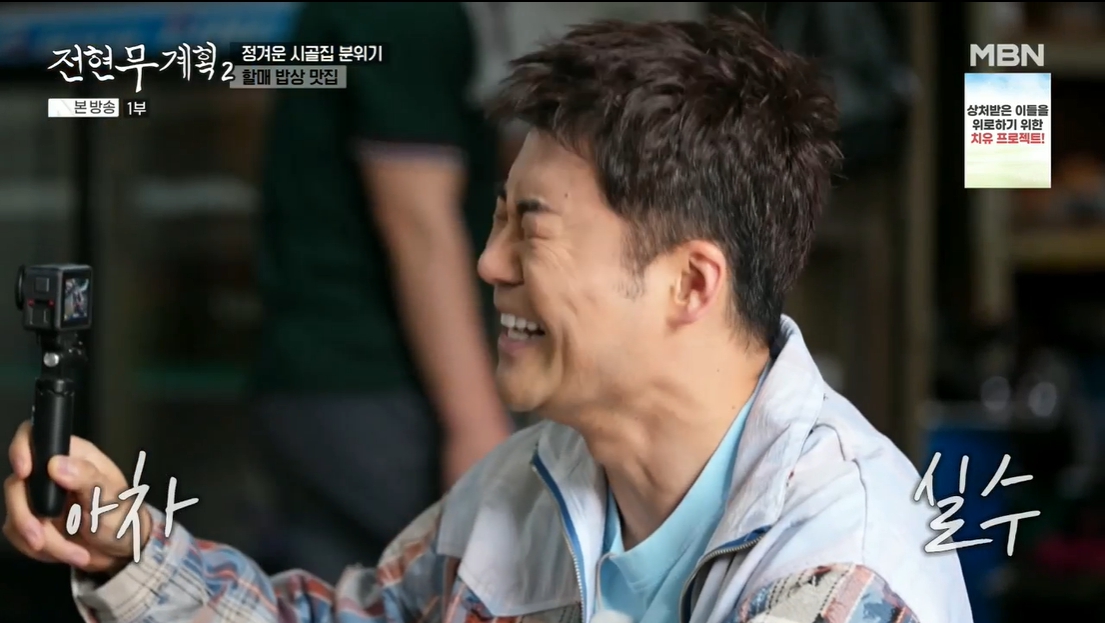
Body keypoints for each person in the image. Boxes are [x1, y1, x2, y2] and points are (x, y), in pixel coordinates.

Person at [3, 13, 973, 623]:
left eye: (530, 227)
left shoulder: (839, 568)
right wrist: (134, 545)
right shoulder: (529, 482)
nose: (487, 262)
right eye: (496, 215)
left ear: (689, 283)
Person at [250, 3, 513, 581]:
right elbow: (418, 226)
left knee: (332, 597)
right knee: (433, 591)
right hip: (379, 389)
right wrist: (475, 427)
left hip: (309, 383)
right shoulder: (406, 15)